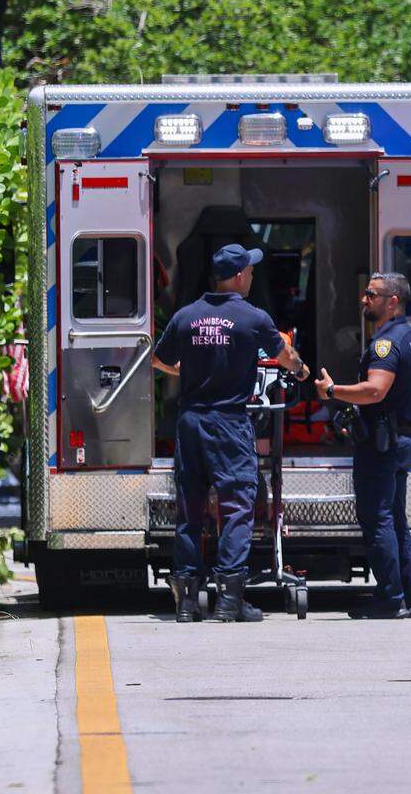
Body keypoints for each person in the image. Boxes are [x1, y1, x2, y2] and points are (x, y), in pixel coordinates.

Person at [153, 243, 309, 623]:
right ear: (239, 276)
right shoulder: (254, 318)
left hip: (191, 421)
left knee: (190, 509)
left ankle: (187, 603)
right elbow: (285, 356)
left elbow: (158, 358)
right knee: (237, 506)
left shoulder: (186, 316)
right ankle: (229, 601)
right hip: (229, 422)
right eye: (251, 271)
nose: (253, 276)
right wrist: (302, 371)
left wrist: (185, 373)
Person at [315, 272, 411, 620]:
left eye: (372, 294)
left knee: (377, 518)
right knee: (395, 520)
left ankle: (390, 597)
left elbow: (375, 390)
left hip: (382, 443)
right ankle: (409, 597)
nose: (365, 299)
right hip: (399, 438)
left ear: (392, 301)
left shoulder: (386, 343)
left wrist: (333, 391)